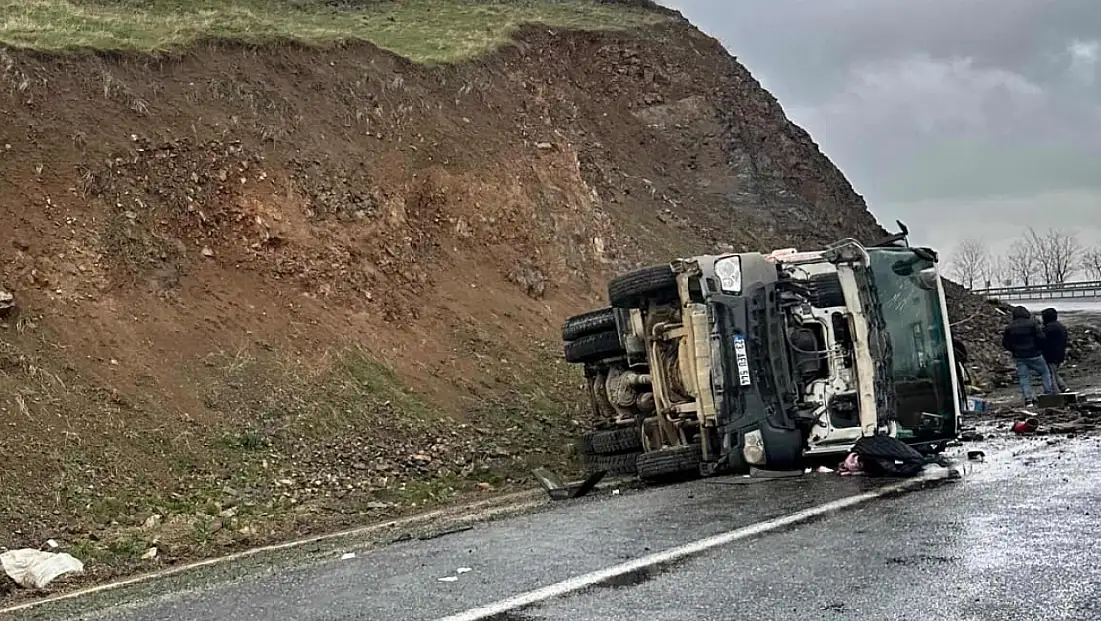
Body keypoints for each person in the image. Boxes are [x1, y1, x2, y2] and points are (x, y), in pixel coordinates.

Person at [1001, 306, 1055, 404]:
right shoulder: (1032, 324)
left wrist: (1014, 350)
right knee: (1045, 372)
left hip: (1020, 356)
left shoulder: (1010, 327)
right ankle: (1048, 393)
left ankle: (1028, 398)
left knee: (1024, 377)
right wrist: (1039, 348)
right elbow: (1041, 338)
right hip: (1035, 354)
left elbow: (1005, 343)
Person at [1040, 307, 1069, 393]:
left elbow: (1042, 340)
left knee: (1050, 374)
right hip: (1059, 353)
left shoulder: (1048, 329)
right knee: (1053, 372)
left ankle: (1056, 393)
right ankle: (1064, 387)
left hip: (1050, 355)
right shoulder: (1060, 326)